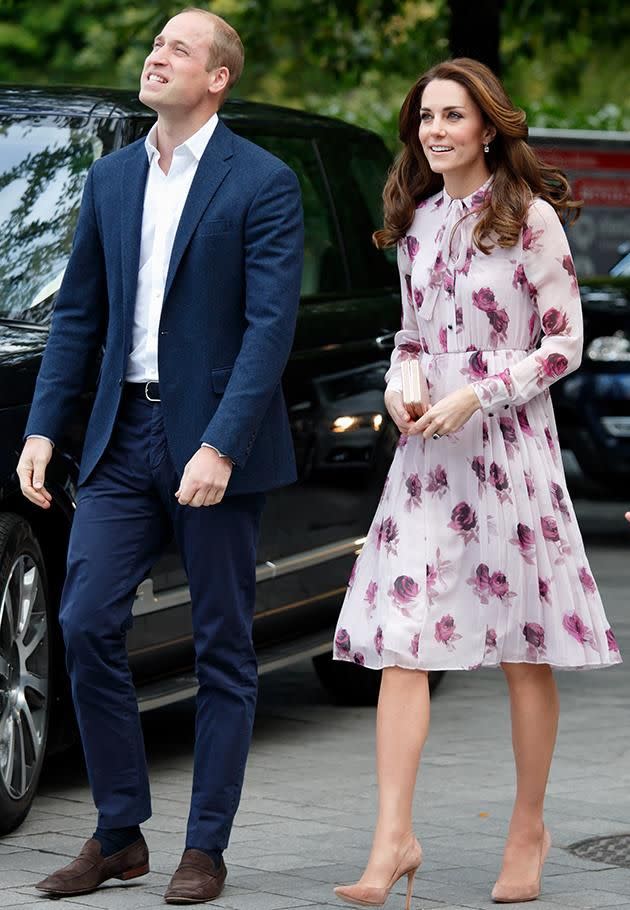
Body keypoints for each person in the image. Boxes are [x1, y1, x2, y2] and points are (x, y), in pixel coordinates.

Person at [17, 8, 303, 904]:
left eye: (177, 48)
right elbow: (78, 317)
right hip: (118, 437)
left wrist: (221, 442)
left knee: (222, 645)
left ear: (218, 77)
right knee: (83, 624)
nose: (155, 56)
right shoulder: (109, 180)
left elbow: (268, 330)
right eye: (154, 45)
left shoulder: (263, 181)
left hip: (216, 441)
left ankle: (205, 847)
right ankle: (118, 834)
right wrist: (41, 426)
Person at [332, 58, 621, 908]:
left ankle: (527, 825)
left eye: (453, 116)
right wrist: (401, 383)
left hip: (510, 450)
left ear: (488, 127)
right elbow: (413, 334)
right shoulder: (415, 222)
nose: (436, 131)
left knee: (524, 650)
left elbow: (564, 342)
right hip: (429, 459)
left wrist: (480, 393)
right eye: (426, 117)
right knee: (400, 642)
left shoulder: (530, 219)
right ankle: (392, 838)